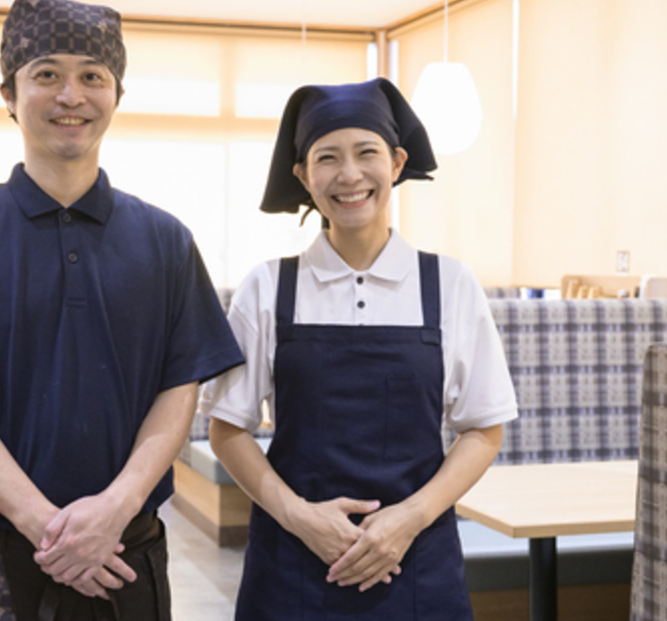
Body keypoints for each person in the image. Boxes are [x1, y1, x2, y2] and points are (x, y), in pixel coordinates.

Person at [0, 0, 244, 621]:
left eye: (92, 77)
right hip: (0, 557)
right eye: (47, 75)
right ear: (9, 95)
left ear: (116, 95)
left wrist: (115, 509)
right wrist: (49, 528)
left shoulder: (166, 240)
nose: (72, 96)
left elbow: (178, 392)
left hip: (128, 549)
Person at [201, 78, 518, 620]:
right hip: (293, 564)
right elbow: (228, 428)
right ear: (303, 175)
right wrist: (301, 518)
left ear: (396, 162)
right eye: (327, 157)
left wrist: (410, 518)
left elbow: (484, 428)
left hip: (416, 561)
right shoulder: (269, 287)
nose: (349, 175)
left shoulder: (449, 285)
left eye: (366, 153)